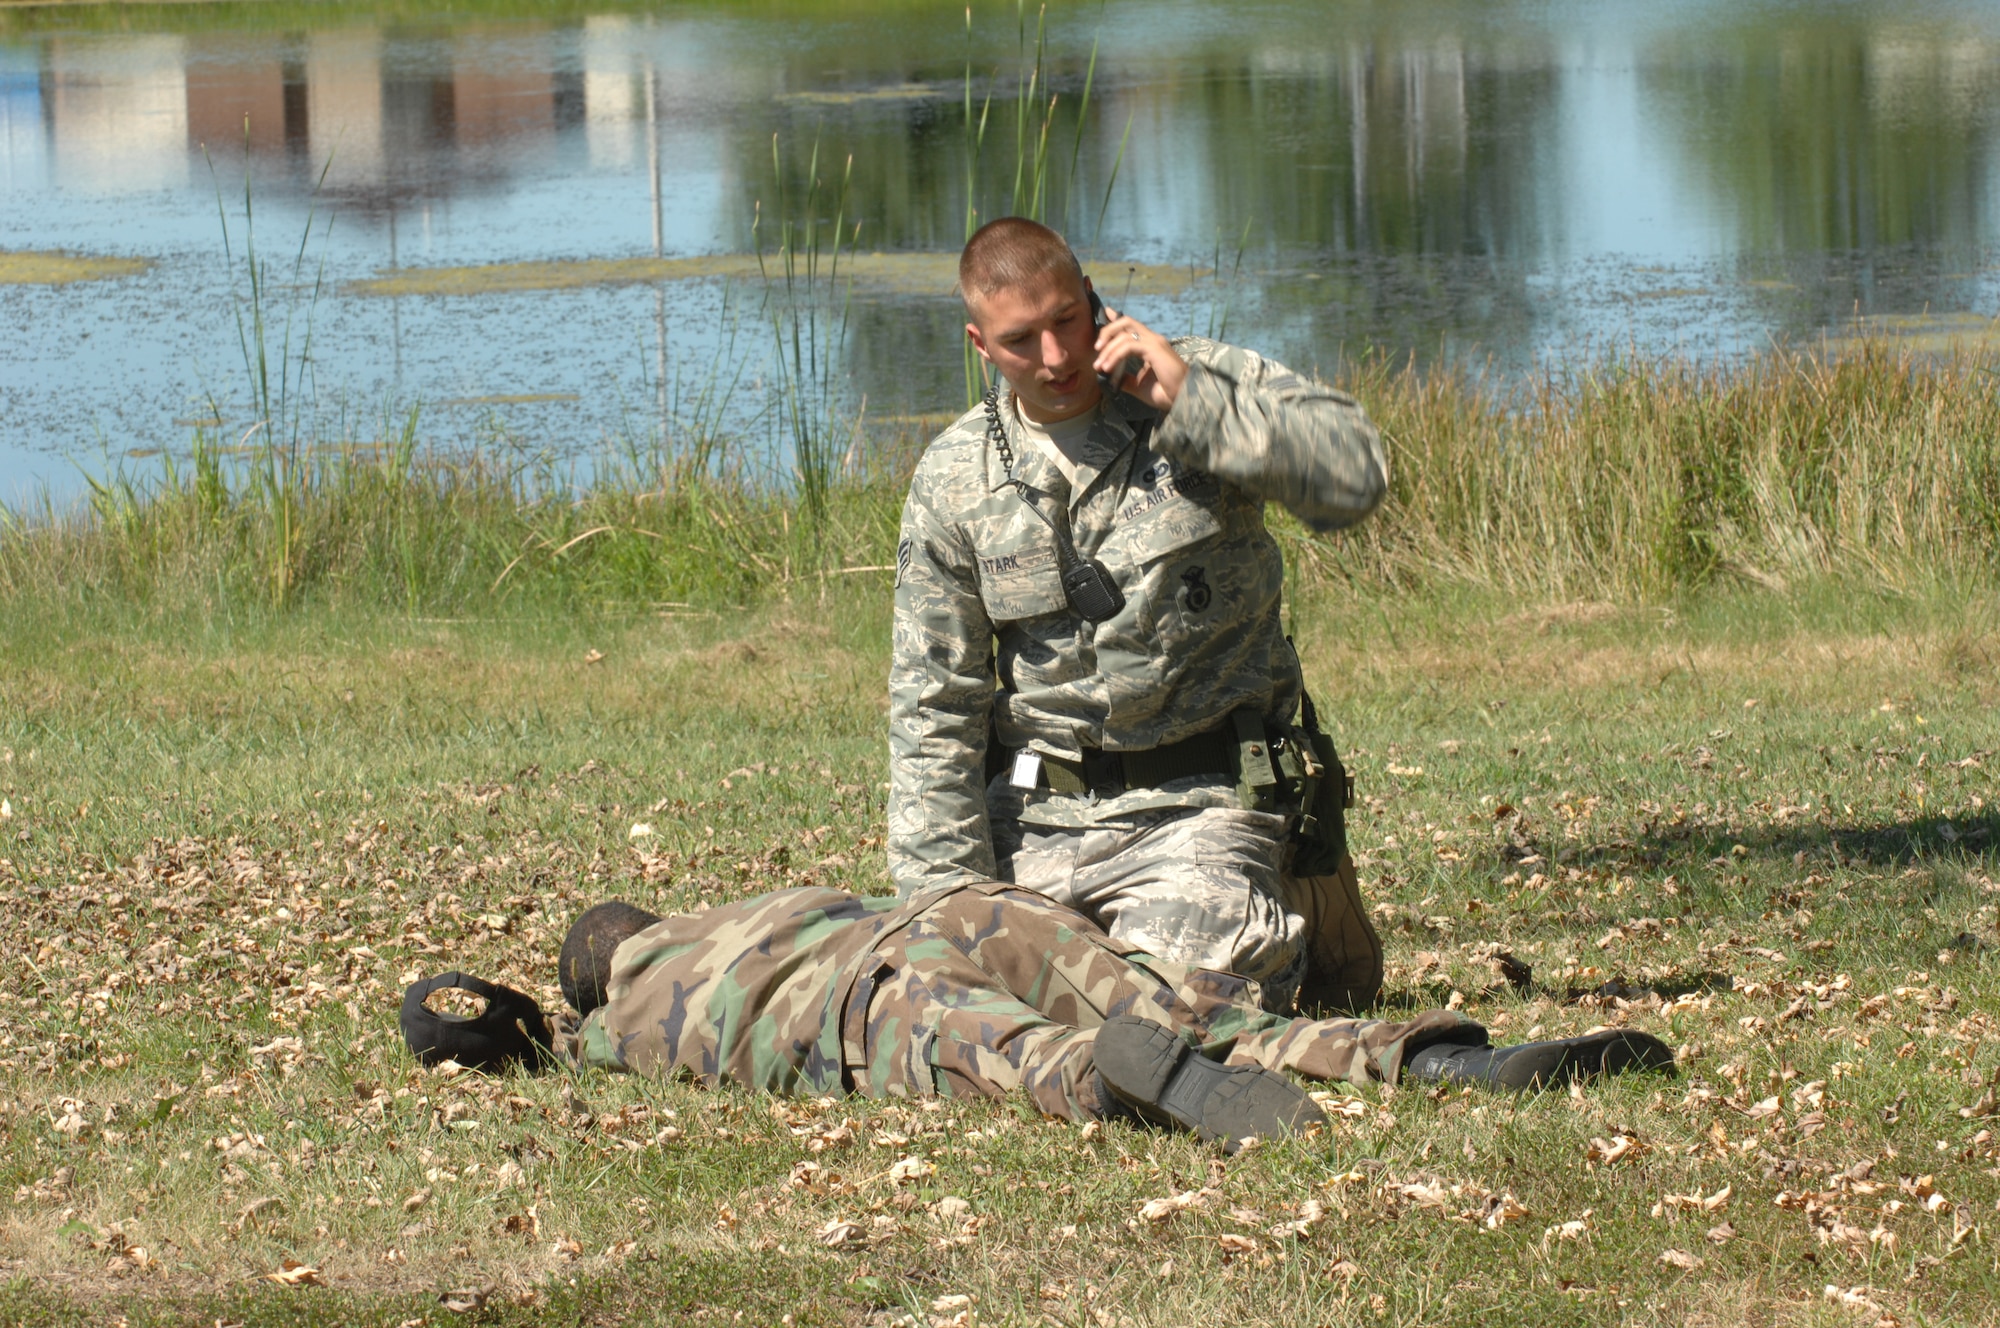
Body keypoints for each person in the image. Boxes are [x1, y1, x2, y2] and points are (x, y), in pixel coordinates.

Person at [889, 217, 1392, 1015]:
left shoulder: (1201, 380)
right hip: (1033, 822)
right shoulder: (955, 477)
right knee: (937, 994)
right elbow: (934, 707)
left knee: (1175, 1005)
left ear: (1091, 298)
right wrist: (943, 907)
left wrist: (1195, 403)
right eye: (1022, 340)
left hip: (1201, 816)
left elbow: (1356, 478)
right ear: (981, 347)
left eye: (1066, 321)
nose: (1056, 358)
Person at [399, 884, 1676, 1150]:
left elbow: (452, 1019)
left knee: (1022, 1058)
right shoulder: (759, 903)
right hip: (956, 912)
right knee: (1181, 998)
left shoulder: (619, 1025)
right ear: (644, 914)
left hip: (867, 1001)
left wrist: (505, 1032)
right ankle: (1433, 1055)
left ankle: (1111, 1082)